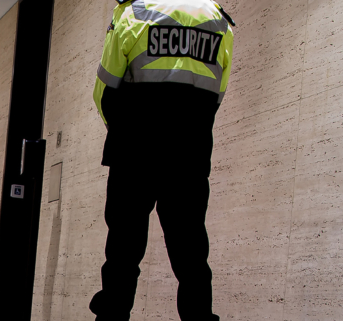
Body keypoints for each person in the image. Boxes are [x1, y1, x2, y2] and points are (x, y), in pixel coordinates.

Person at [89, 0, 235, 320]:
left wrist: (121, 130)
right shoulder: (216, 18)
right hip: (189, 155)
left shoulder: (135, 12)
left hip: (134, 152)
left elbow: (105, 88)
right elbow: (217, 92)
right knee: (192, 254)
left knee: (123, 253)